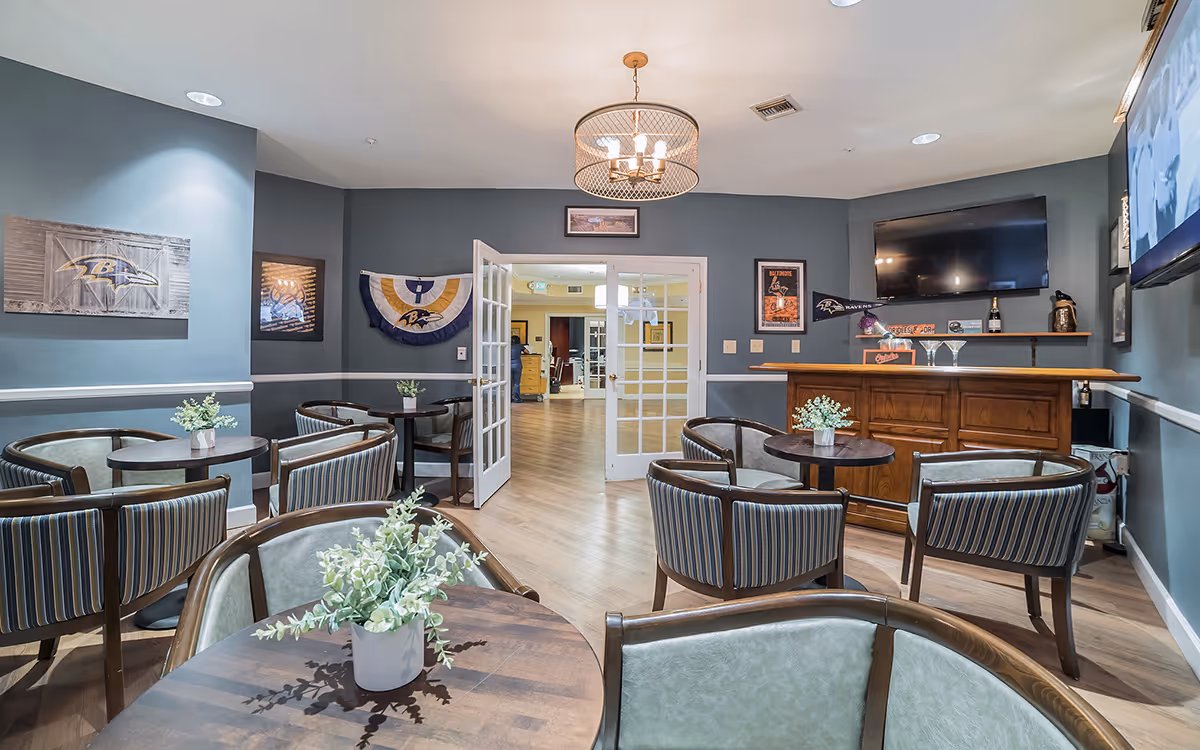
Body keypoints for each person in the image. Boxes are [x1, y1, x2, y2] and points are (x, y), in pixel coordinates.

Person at [511, 334, 529, 403]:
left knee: (509, 383)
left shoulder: (507, 346)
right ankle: (517, 399)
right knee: (516, 383)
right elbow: (527, 352)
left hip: (508, 366)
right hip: (517, 366)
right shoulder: (520, 346)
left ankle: (508, 398)